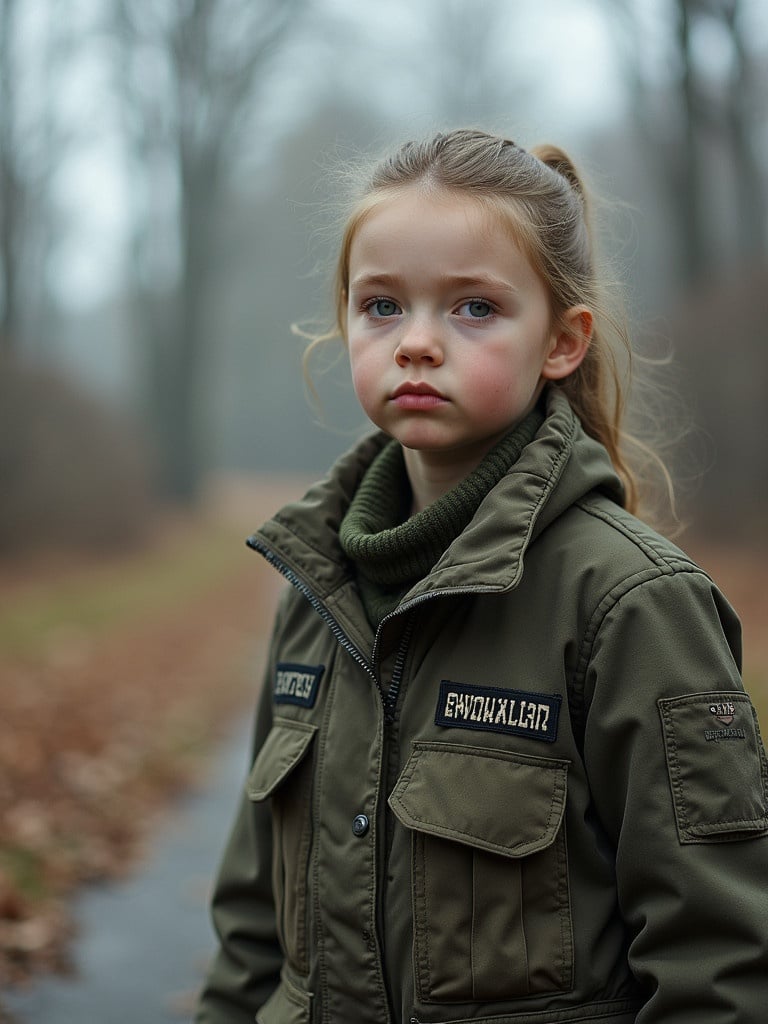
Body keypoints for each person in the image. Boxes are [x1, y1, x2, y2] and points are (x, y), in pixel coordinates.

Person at [194, 129, 768, 1024]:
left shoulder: (630, 606)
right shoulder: (313, 588)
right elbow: (250, 931)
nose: (417, 343)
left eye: (474, 310)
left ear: (562, 341)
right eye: (382, 305)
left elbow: (718, 965)